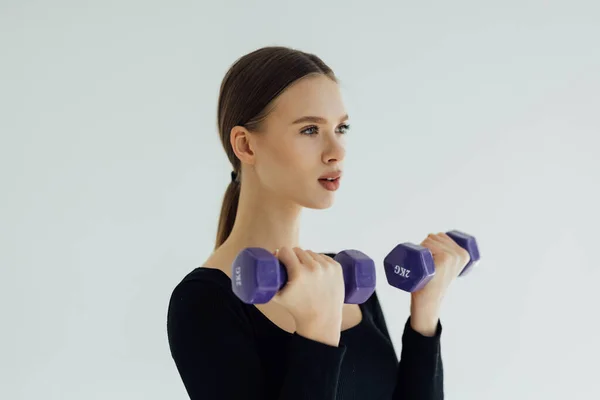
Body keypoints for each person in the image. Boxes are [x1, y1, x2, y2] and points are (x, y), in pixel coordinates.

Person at [166, 45, 471, 399]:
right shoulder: (205, 301)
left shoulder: (342, 278)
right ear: (246, 146)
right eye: (310, 130)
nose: (336, 151)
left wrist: (425, 316)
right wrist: (318, 331)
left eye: (341, 128)